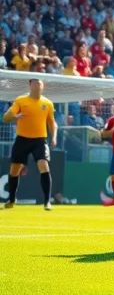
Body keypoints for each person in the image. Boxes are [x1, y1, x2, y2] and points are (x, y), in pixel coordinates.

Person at [3, 78, 58, 210]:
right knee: (14, 170)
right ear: (29, 85)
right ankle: (11, 200)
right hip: (22, 139)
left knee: (43, 165)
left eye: (39, 83)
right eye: (34, 83)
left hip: (40, 140)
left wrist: (54, 137)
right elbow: (6, 117)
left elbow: (52, 123)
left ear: (43, 86)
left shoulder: (48, 103)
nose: (37, 86)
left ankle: (47, 201)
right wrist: (14, 116)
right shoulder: (21, 100)